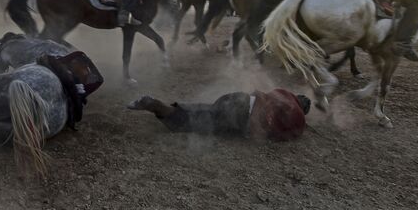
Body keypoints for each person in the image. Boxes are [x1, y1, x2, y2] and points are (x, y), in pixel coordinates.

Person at [128, 88, 310, 141]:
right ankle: (155, 105)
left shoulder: (284, 93)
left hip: (239, 98)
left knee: (203, 111)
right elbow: (278, 133)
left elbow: (259, 93)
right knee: (191, 123)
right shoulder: (298, 118)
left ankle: (168, 107)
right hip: (240, 116)